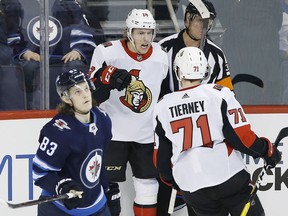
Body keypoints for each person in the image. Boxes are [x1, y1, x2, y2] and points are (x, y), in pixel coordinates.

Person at [153, 47, 282, 216]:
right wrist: (266, 150)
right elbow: (242, 138)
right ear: (205, 70)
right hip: (227, 177)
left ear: (178, 71)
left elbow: (160, 159)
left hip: (192, 186)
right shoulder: (219, 94)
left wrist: (176, 181)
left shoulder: (162, 105)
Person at [88, 8, 170, 216]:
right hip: (113, 134)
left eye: (149, 32)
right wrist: (107, 79)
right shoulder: (106, 52)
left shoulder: (161, 56)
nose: (145, 38)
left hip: (146, 135)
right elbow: (91, 96)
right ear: (129, 32)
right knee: (105, 186)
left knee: (148, 189)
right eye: (140, 32)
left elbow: (166, 97)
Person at [157, 1, 233, 215]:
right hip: (174, 131)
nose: (204, 26)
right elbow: (154, 92)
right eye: (199, 19)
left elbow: (227, 95)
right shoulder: (164, 48)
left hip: (203, 135)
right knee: (165, 186)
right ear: (187, 19)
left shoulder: (216, 55)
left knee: (201, 190)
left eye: (208, 21)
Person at [32, 68, 113, 216]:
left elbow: (99, 159)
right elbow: (39, 173)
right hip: (59, 210)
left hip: (98, 206)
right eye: (77, 92)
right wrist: (63, 186)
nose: (85, 95)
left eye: (86, 88)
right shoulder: (57, 131)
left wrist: (107, 187)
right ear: (66, 98)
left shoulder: (103, 119)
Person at [9, 0, 98, 109]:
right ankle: (29, 106)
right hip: (34, 58)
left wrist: (78, 50)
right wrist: (24, 52)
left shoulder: (67, 3)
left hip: (65, 57)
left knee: (75, 65)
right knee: (29, 68)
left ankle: (75, 105)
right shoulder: (21, 3)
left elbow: (79, 25)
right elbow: (12, 29)